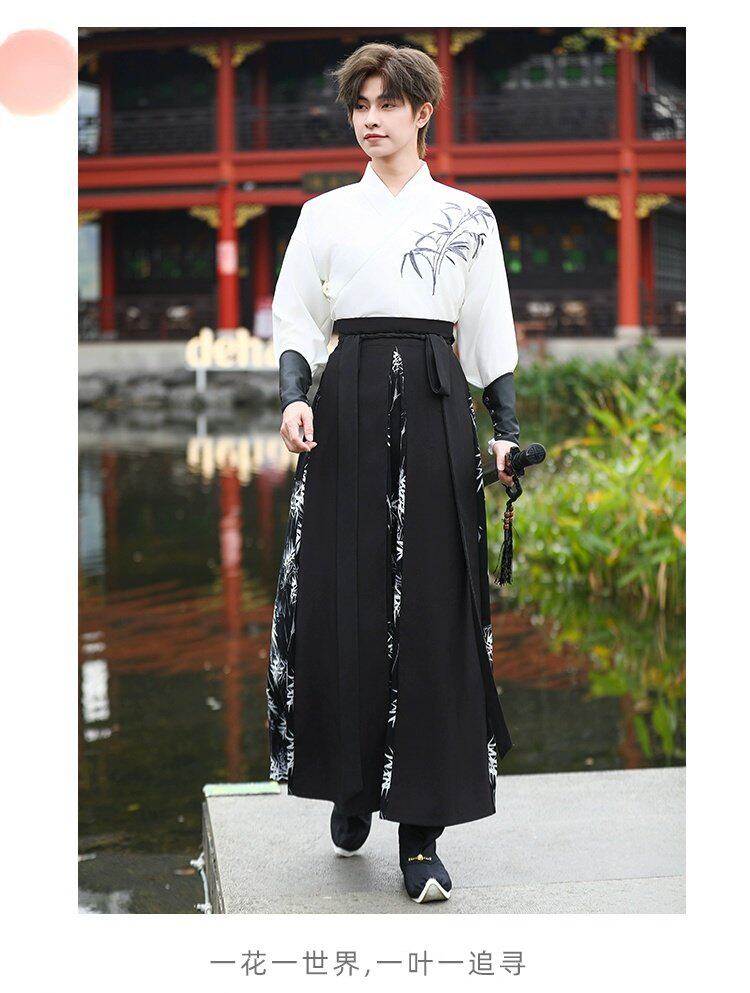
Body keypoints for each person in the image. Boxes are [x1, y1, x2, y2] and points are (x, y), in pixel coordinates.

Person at [266, 42, 521, 905]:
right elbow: (297, 317)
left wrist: (504, 433)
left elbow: (489, 331)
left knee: (435, 609)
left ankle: (421, 832)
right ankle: (349, 784)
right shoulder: (325, 214)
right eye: (359, 105)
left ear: (422, 113)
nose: (371, 119)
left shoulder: (468, 216)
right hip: (347, 404)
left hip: (439, 401)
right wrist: (295, 397)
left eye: (387, 103)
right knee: (344, 595)